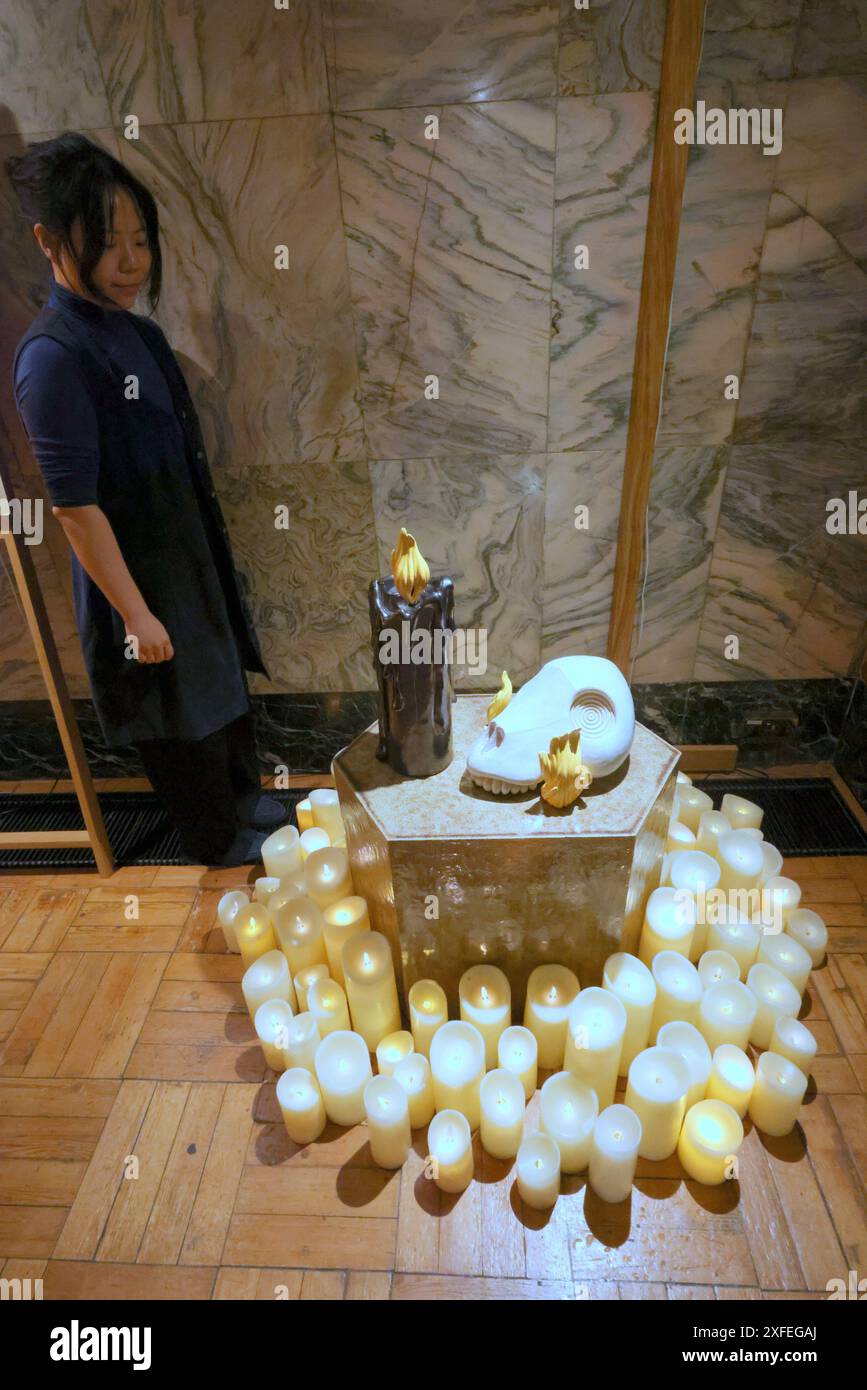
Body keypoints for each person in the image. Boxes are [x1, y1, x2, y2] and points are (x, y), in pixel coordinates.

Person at [6, 132, 287, 866]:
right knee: (178, 713)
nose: (132, 262)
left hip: (184, 556)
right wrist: (135, 614)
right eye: (107, 243)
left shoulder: (134, 330)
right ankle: (221, 843)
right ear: (48, 241)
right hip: (137, 579)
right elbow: (74, 508)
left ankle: (247, 803)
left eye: (140, 240)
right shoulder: (52, 357)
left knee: (217, 691)